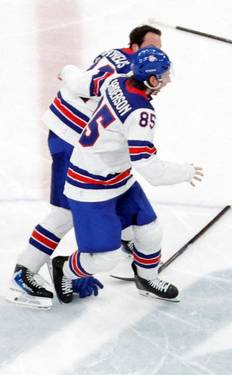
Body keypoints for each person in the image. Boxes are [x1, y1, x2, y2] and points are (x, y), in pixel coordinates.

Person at [8, 24, 163, 309]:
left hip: (77, 138)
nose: (157, 53)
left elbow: (79, 78)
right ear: (136, 47)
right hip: (72, 140)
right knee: (66, 209)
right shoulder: (124, 74)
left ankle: (123, 239)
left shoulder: (119, 56)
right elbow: (84, 84)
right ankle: (24, 271)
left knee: (116, 187)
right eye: (151, 48)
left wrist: (67, 70)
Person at [52, 46, 203, 306]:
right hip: (89, 185)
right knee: (105, 257)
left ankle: (146, 278)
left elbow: (81, 81)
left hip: (116, 176)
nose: (167, 80)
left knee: (150, 230)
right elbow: (150, 169)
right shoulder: (141, 114)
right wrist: (185, 172)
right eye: (164, 75)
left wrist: (66, 71)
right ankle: (63, 268)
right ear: (152, 79)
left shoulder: (116, 81)